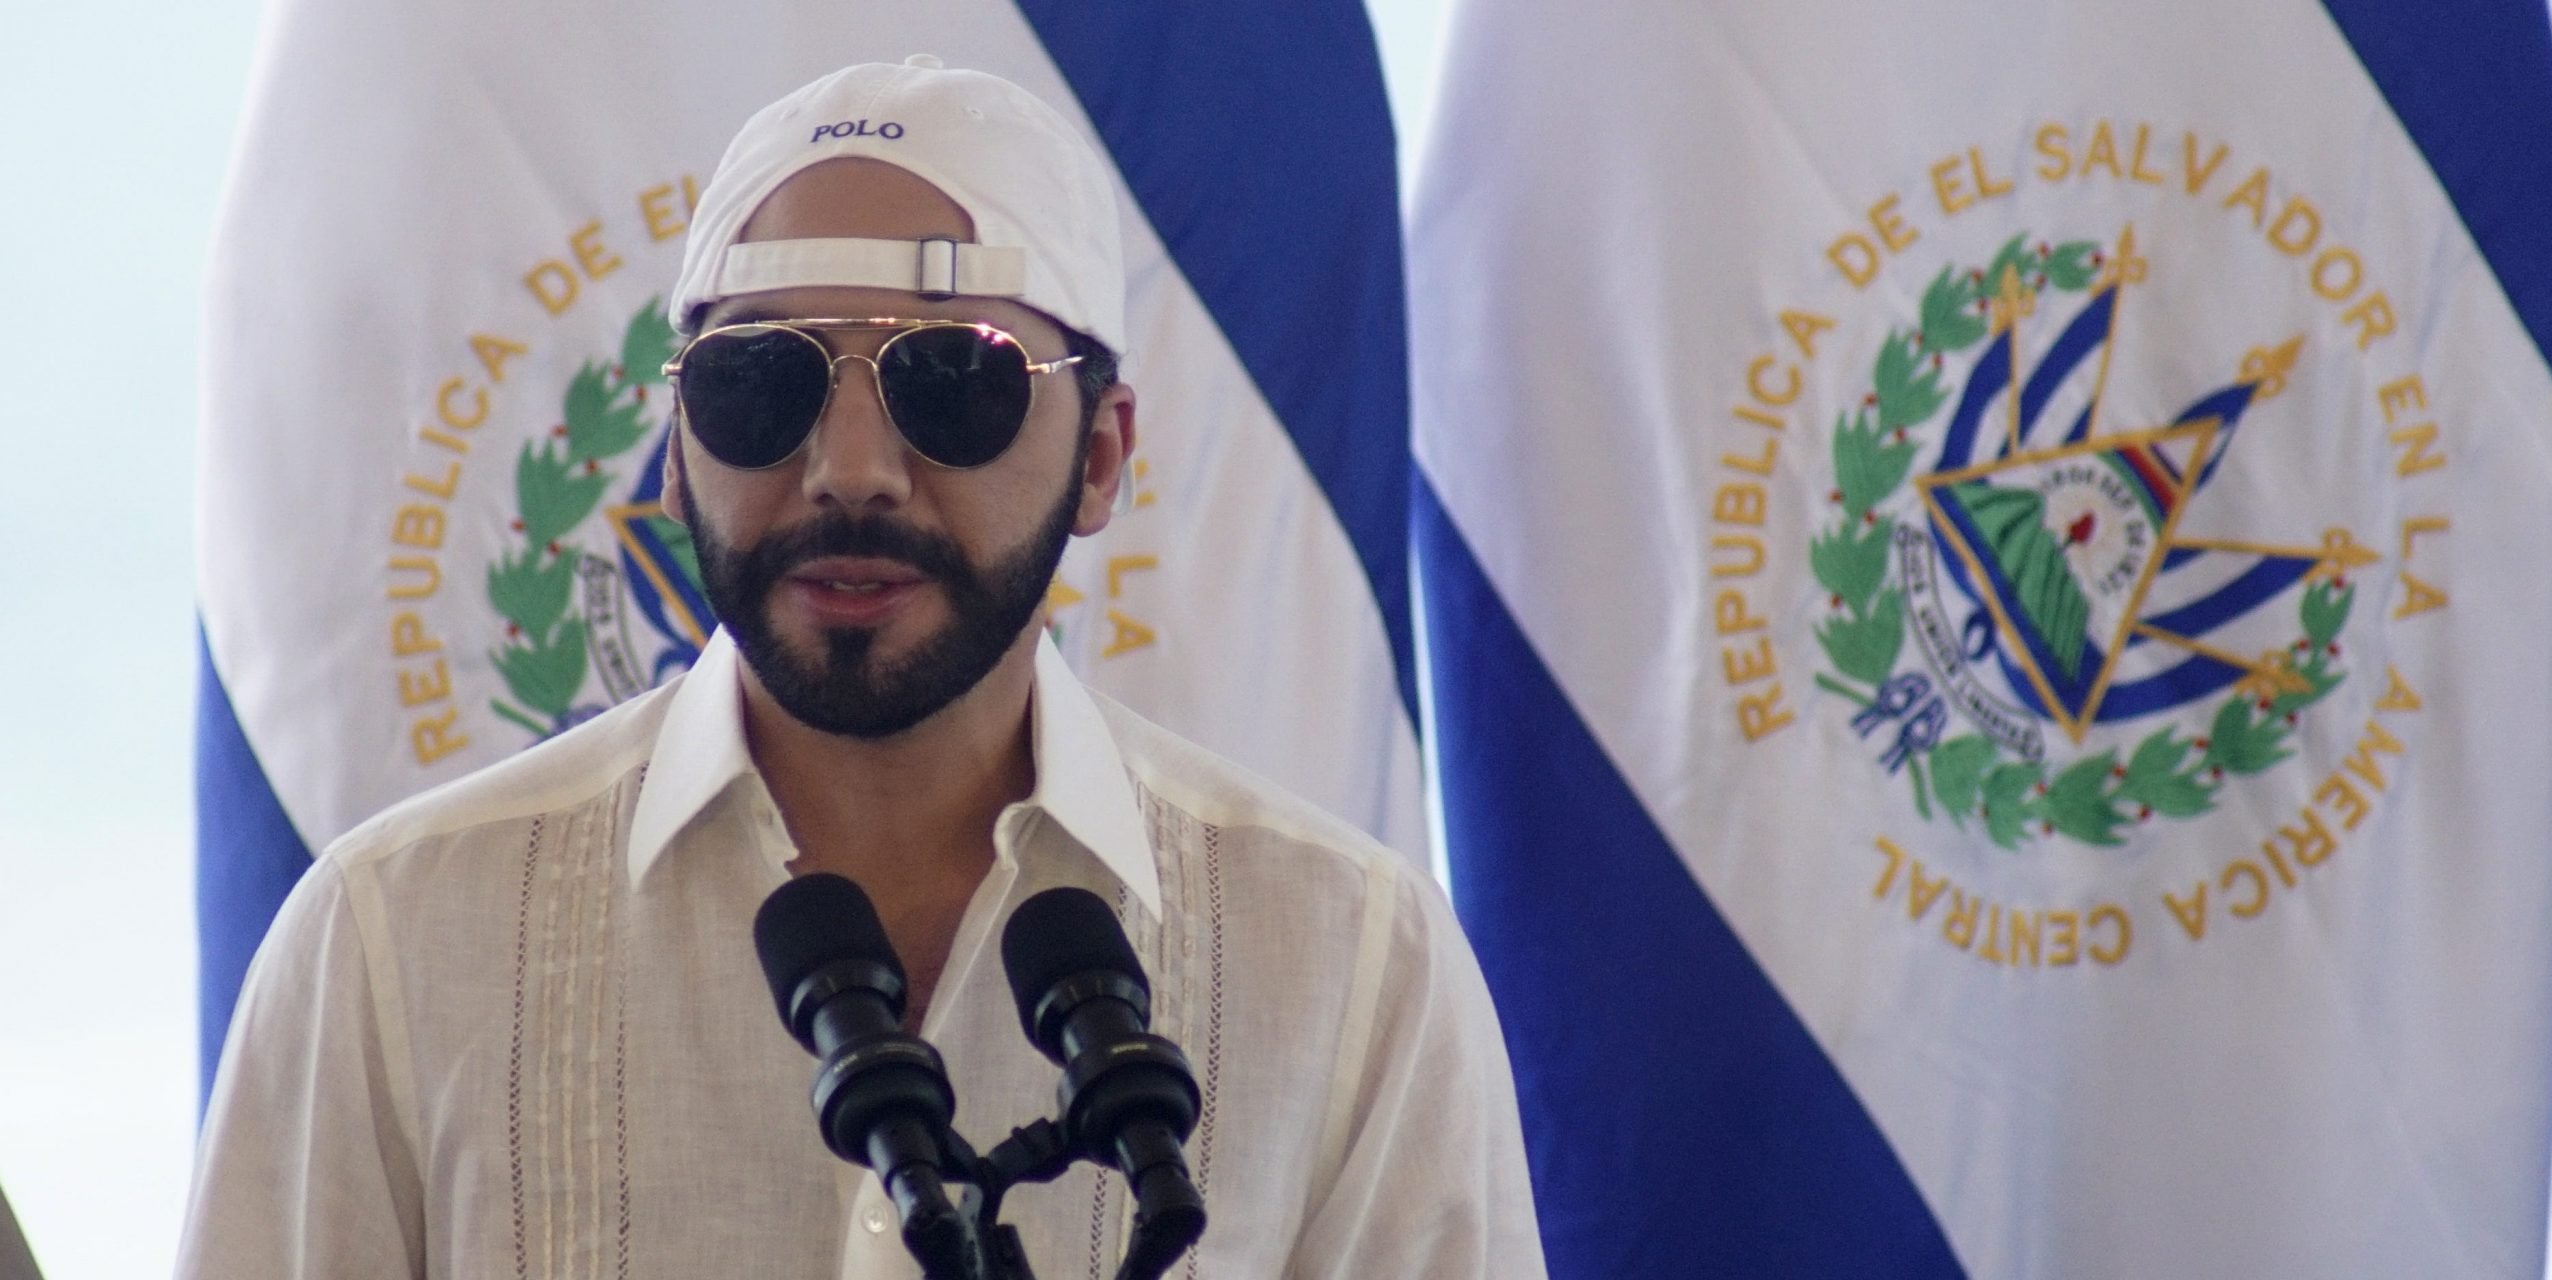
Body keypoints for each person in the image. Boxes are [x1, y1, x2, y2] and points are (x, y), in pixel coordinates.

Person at [177, 56, 1543, 1279]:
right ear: (673, 443)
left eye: (955, 382)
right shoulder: (391, 945)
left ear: (1106, 454)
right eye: (761, 385)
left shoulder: (1354, 964)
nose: (847, 472)